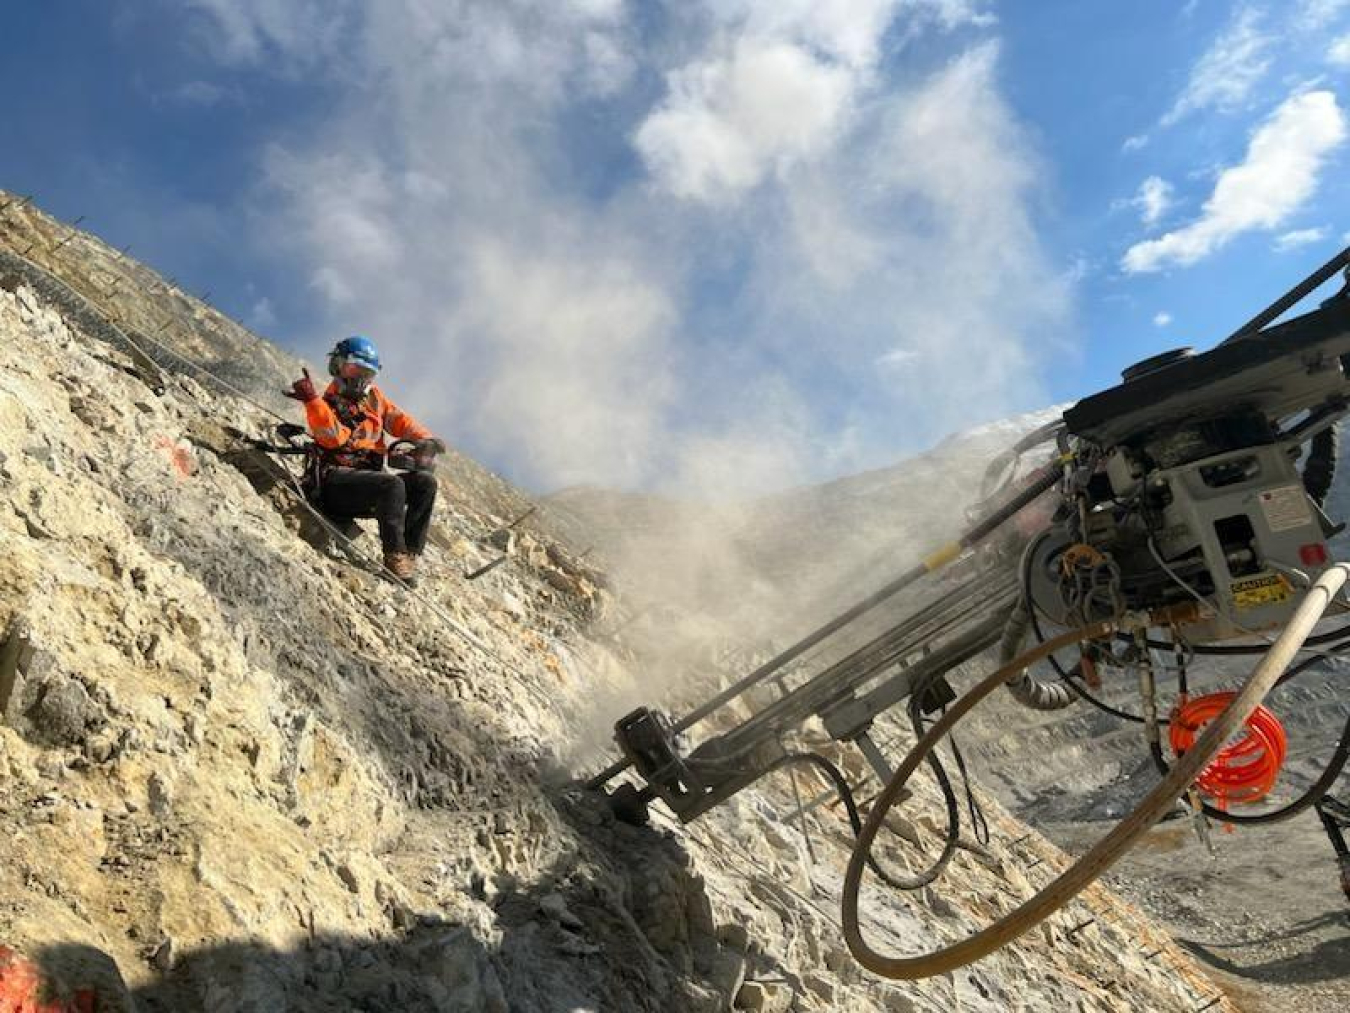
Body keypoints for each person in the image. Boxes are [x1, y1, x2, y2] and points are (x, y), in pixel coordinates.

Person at [284, 335, 446, 581]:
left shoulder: (374, 400)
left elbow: (399, 421)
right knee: (392, 484)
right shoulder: (326, 403)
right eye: (354, 369)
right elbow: (333, 438)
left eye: (367, 373)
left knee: (425, 483)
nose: (360, 379)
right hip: (333, 484)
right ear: (337, 366)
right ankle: (394, 557)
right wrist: (313, 402)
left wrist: (425, 440)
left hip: (365, 483)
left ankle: (409, 554)